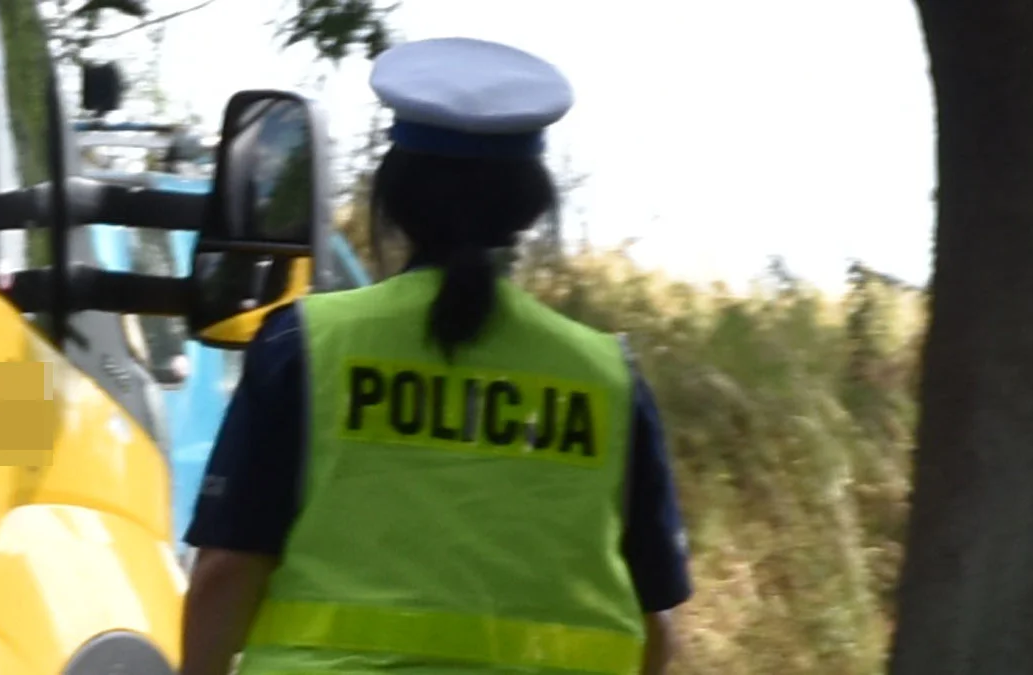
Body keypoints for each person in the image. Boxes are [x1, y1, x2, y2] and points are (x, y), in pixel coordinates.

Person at [180, 36, 693, 675]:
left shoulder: (306, 345)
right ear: (531, 207)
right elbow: (655, 625)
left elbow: (228, 571)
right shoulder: (608, 377)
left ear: (393, 198)